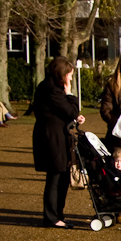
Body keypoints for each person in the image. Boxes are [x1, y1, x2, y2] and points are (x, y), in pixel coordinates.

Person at [32, 56, 85, 228]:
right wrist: (69, 93)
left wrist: (74, 117)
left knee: (60, 176)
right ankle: (52, 217)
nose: (70, 78)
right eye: (69, 75)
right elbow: (70, 110)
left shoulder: (47, 87)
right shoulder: (53, 89)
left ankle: (56, 215)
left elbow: (68, 113)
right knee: (56, 177)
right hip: (52, 138)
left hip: (53, 135)